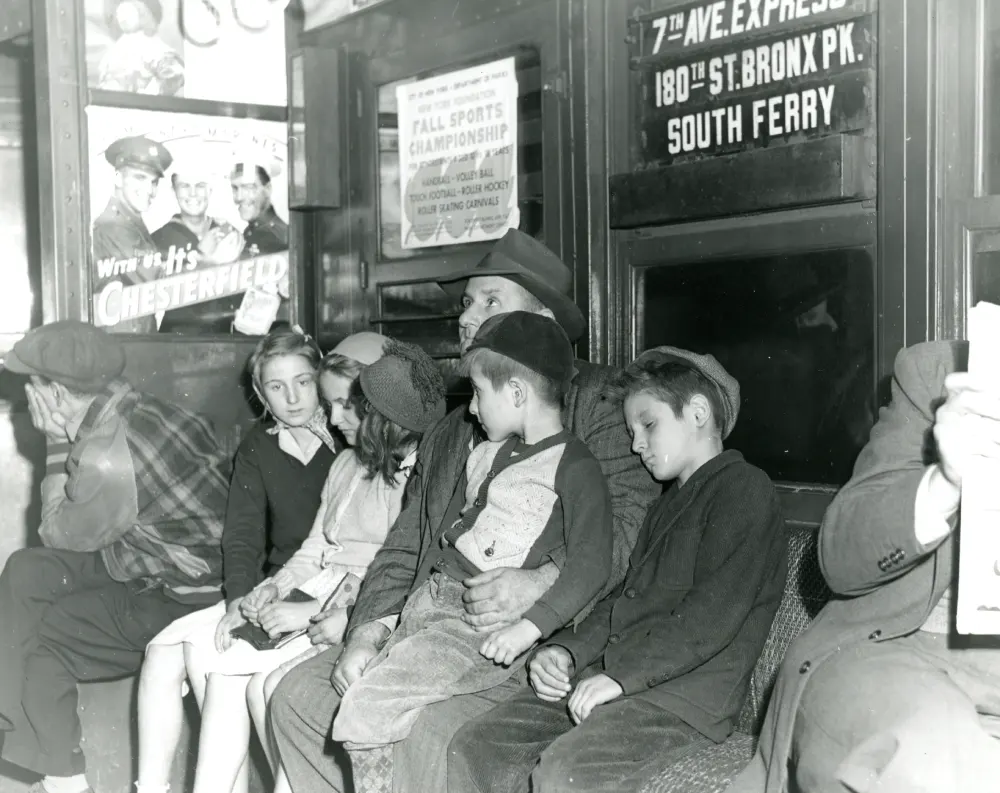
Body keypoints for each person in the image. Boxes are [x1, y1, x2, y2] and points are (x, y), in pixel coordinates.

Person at [268, 228, 662, 793]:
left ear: (542, 319)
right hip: (431, 617)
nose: (467, 315)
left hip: (537, 640)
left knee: (421, 729)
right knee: (296, 698)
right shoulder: (455, 427)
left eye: (490, 300)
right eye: (467, 302)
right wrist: (366, 632)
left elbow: (628, 530)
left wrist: (543, 582)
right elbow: (407, 543)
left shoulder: (601, 404)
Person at [448, 346, 787, 793]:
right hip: (620, 682)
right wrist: (567, 652)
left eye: (648, 425)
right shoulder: (665, 507)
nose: (635, 444)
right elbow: (620, 602)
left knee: (562, 773)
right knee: (478, 744)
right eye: (631, 431)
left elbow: (711, 617)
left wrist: (620, 678)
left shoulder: (744, 490)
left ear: (699, 413)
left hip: (681, 701)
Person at [332, 312, 613, 792]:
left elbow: (593, 562)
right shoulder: (486, 450)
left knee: (365, 707)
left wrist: (531, 625)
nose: (472, 409)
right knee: (371, 694)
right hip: (430, 606)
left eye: (480, 393)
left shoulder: (575, 465)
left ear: (518, 394)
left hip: (474, 627)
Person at [726, 340, 1000, 793]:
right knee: (939, 755)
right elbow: (840, 557)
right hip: (896, 650)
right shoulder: (939, 373)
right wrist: (943, 483)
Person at [0, 320, 231, 793]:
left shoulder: (107, 458)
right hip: (149, 556)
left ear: (58, 395)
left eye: (32, 387)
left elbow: (60, 534)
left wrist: (54, 440)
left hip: (182, 593)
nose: (28, 397)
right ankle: (8, 709)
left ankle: (65, 777)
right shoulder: (136, 407)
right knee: (25, 572)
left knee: (42, 642)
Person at [134, 326, 345, 793]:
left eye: (303, 382)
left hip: (324, 585)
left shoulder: (349, 439)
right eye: (276, 386)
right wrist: (238, 597)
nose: (292, 398)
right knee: (161, 654)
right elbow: (244, 533)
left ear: (322, 379)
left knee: (210, 660)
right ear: (260, 394)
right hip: (274, 581)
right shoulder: (259, 443)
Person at [152, 155, 246, 334]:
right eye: (185, 186)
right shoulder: (158, 239)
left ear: (210, 189)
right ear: (174, 191)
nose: (193, 193)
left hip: (223, 338)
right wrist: (208, 260)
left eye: (200, 185)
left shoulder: (228, 233)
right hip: (175, 340)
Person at [92, 134, 173, 334]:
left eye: (154, 182)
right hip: (122, 340)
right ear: (118, 178)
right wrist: (206, 260)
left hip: (133, 337)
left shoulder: (130, 221)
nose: (149, 189)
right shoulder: (113, 225)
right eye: (140, 177)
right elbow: (154, 280)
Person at [96, 0, 184, 96]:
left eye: (128, 12)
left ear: (142, 13)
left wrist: (149, 95)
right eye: (120, 12)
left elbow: (174, 76)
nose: (123, 17)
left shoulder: (155, 47)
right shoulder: (112, 53)